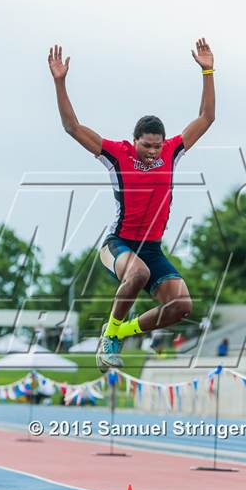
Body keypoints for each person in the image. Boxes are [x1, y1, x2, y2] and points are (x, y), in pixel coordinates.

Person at [49, 39, 215, 372]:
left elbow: (207, 117)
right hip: (118, 244)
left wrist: (208, 71)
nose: (153, 152)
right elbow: (73, 128)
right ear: (134, 140)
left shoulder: (172, 151)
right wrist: (60, 82)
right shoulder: (116, 154)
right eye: (146, 146)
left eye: (157, 146)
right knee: (137, 273)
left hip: (151, 247)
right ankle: (110, 334)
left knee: (181, 305)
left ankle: (123, 329)